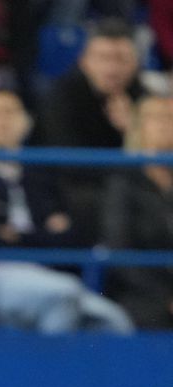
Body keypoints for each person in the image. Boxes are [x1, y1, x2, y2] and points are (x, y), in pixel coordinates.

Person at [0, 88, 132, 333]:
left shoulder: (46, 178)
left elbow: (73, 239)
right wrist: (43, 234)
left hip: (54, 277)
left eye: (10, 112)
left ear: (26, 122)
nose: (2, 120)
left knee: (116, 323)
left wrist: (18, 236)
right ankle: (58, 370)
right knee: (62, 296)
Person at [34, 18, 147, 243]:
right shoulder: (61, 97)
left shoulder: (143, 99)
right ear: (84, 61)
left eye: (121, 59)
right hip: (70, 190)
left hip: (132, 189)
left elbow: (157, 160)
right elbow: (68, 162)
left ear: (135, 63)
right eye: (104, 58)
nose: (112, 69)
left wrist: (132, 131)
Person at [101, 94, 173, 329]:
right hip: (142, 293)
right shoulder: (124, 182)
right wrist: (164, 296)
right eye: (155, 118)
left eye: (170, 117)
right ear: (139, 127)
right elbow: (120, 251)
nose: (164, 124)